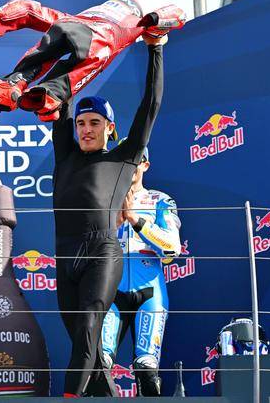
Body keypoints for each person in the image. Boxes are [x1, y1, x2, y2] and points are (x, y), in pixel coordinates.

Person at [51, 30, 168, 397]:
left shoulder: (122, 157)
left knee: (89, 330)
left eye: (95, 123)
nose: (86, 130)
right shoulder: (65, 155)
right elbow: (62, 95)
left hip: (102, 254)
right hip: (65, 256)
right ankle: (107, 397)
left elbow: (150, 105)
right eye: (81, 123)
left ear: (110, 128)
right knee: (84, 346)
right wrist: (70, 51)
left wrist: (155, 50)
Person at [0, 0, 185, 121]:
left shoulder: (77, 16)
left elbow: (31, 10)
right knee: (92, 59)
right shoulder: (134, 22)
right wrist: (155, 23)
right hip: (100, 42)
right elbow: (175, 14)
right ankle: (47, 96)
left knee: (38, 60)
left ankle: (11, 85)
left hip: (66, 26)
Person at [100, 145, 182, 396]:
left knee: (147, 369)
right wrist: (114, 223)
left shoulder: (161, 200)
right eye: (124, 160)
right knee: (99, 364)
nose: (129, 166)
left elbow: (172, 248)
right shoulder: (103, 198)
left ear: (145, 165)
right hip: (111, 290)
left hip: (150, 292)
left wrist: (136, 220)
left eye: (135, 160)